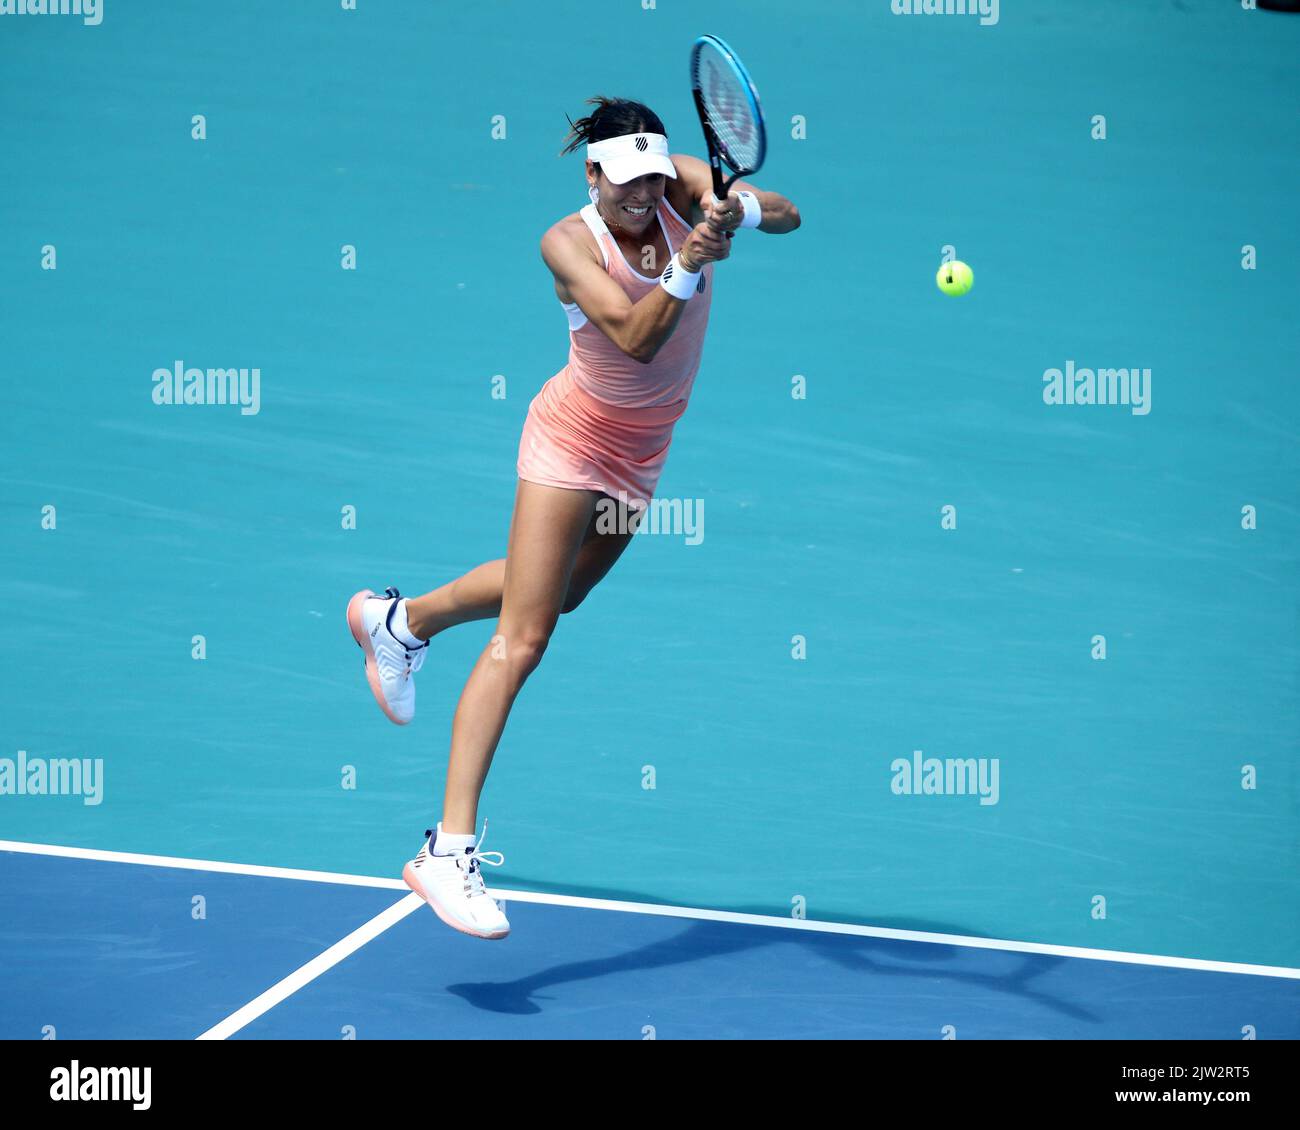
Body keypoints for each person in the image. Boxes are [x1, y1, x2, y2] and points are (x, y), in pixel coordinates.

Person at [346, 96, 801, 939]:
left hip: (644, 449)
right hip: (573, 441)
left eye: (651, 178)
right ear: (592, 173)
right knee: (524, 639)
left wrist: (737, 207)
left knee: (558, 596)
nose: (640, 195)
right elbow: (635, 336)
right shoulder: (565, 242)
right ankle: (446, 852)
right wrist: (690, 261)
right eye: (621, 180)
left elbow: (790, 215)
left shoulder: (679, 185)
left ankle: (399, 623)